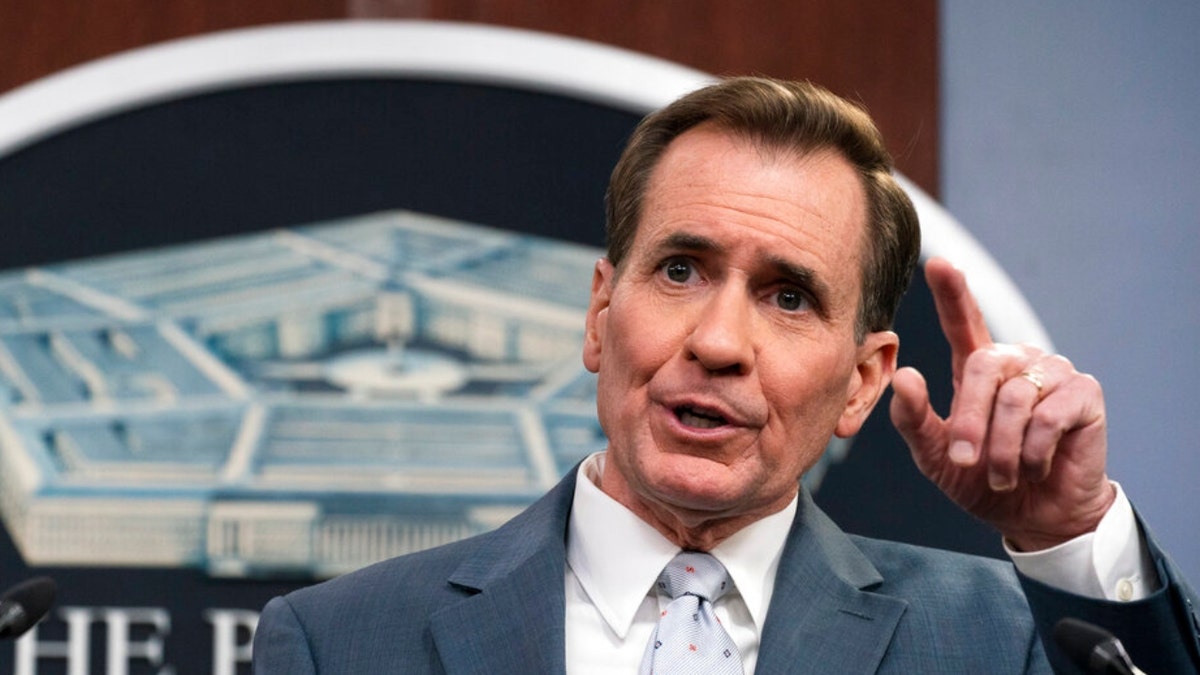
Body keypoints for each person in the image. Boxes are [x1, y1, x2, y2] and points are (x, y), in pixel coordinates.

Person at [251, 76, 1199, 674]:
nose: (718, 340)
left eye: (789, 297)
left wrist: (1067, 539)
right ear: (599, 312)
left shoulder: (1004, 641)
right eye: (680, 269)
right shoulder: (338, 644)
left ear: (864, 382)